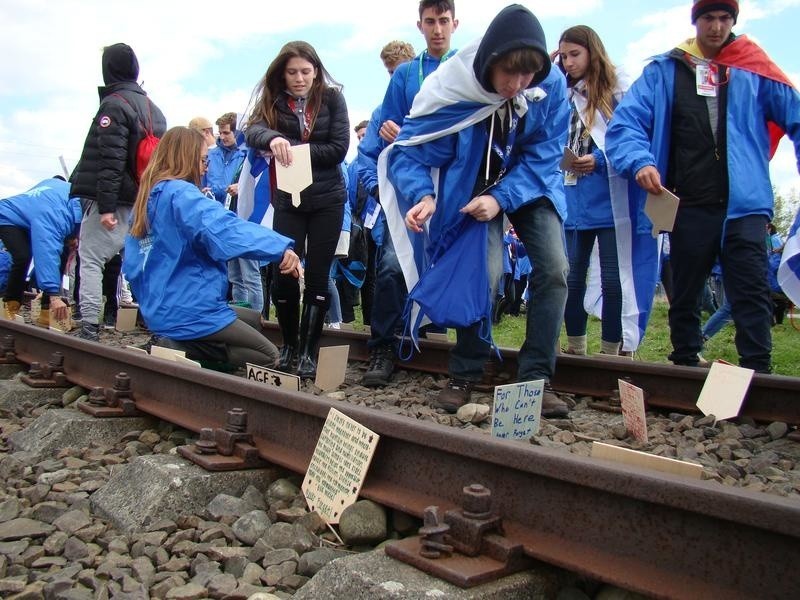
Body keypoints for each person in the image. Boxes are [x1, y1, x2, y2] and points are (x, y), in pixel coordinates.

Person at [384, 4, 570, 417]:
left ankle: (536, 377)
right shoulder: (453, 84)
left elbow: (545, 154)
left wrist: (502, 198)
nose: (517, 85)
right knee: (480, 275)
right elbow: (409, 151)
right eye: (508, 74)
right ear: (488, 64)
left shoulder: (549, 84)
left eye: (527, 76)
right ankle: (466, 371)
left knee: (555, 269)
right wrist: (424, 196)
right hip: (474, 185)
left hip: (531, 184)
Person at [606, 0, 800, 374]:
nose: (716, 26)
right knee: (687, 290)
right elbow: (624, 126)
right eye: (708, 18)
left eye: (725, 18)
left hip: (745, 203)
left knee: (751, 292)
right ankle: (684, 366)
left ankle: (758, 371)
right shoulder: (666, 70)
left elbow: (795, 116)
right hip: (687, 201)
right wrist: (640, 162)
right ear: (695, 21)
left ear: (734, 21)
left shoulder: (753, 68)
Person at [123, 127, 300, 368]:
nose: (206, 166)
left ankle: (188, 344)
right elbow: (225, 229)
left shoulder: (147, 198)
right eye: (203, 159)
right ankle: (179, 349)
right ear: (185, 158)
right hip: (191, 310)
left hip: (160, 309)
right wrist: (280, 248)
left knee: (252, 319)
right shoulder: (182, 194)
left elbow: (132, 267)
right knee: (268, 356)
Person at [359, 1, 459, 387]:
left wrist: (407, 136)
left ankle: (441, 344)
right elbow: (383, 137)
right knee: (391, 264)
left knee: (449, 264)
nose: (437, 29)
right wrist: (376, 185)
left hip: (453, 184)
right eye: (430, 22)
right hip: (408, 187)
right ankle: (382, 347)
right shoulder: (403, 76)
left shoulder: (466, 67)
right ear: (420, 25)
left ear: (455, 23)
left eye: (443, 21)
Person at [245, 41, 349, 379]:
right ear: (282, 73)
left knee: (318, 274)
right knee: (284, 271)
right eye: (292, 72)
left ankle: (308, 351)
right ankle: (289, 345)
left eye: (305, 71)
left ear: (316, 71)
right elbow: (253, 130)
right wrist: (274, 138)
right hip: (289, 199)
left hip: (327, 200)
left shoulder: (332, 99)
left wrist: (295, 151)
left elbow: (338, 148)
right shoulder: (273, 101)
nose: (300, 78)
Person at [70, 43, 167, 341]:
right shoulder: (154, 110)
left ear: (108, 69)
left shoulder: (114, 105)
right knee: (140, 265)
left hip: (116, 199)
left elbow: (110, 160)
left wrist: (107, 206)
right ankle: (158, 326)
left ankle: (89, 325)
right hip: (143, 199)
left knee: (90, 258)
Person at [558, 25, 626, 357]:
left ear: (591, 52)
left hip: (611, 195)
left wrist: (597, 158)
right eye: (564, 56)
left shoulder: (614, 90)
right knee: (571, 276)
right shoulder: (561, 93)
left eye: (575, 54)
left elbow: (626, 136)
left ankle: (611, 352)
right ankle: (576, 348)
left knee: (612, 279)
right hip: (572, 195)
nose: (568, 62)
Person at [0, 177, 80, 325]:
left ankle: (46, 311)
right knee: (22, 257)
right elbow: (46, 250)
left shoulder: (72, 194)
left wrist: (72, 235)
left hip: (32, 219)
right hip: (8, 217)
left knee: (63, 252)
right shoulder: (55, 213)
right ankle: (10, 305)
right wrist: (54, 295)